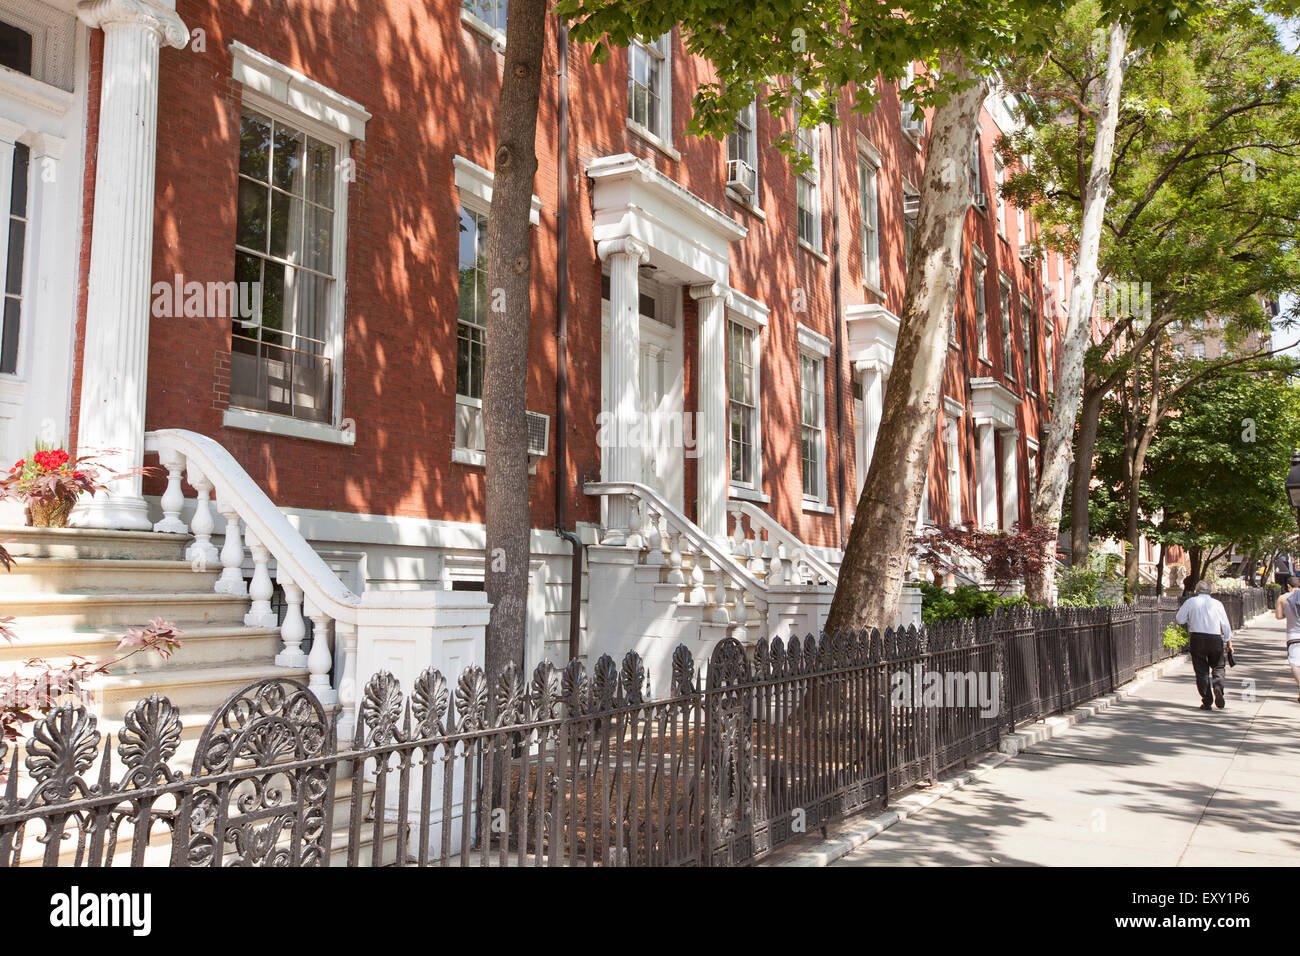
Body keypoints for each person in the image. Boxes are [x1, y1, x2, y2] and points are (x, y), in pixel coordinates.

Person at [1176, 580, 1234, 710]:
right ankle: (1218, 687)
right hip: (1214, 637)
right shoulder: (1217, 604)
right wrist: (1228, 641)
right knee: (1218, 666)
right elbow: (1225, 624)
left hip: (1197, 638)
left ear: (1196, 591)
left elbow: (1180, 619)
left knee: (1201, 670)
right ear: (1210, 591)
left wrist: (1190, 619)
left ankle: (1207, 700)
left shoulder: (1190, 602)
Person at [1275, 575, 1300, 703]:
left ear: (1289, 586)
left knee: (1295, 664)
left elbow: (1278, 616)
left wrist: (1288, 613)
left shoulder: (1283, 598)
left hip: (1293, 636)